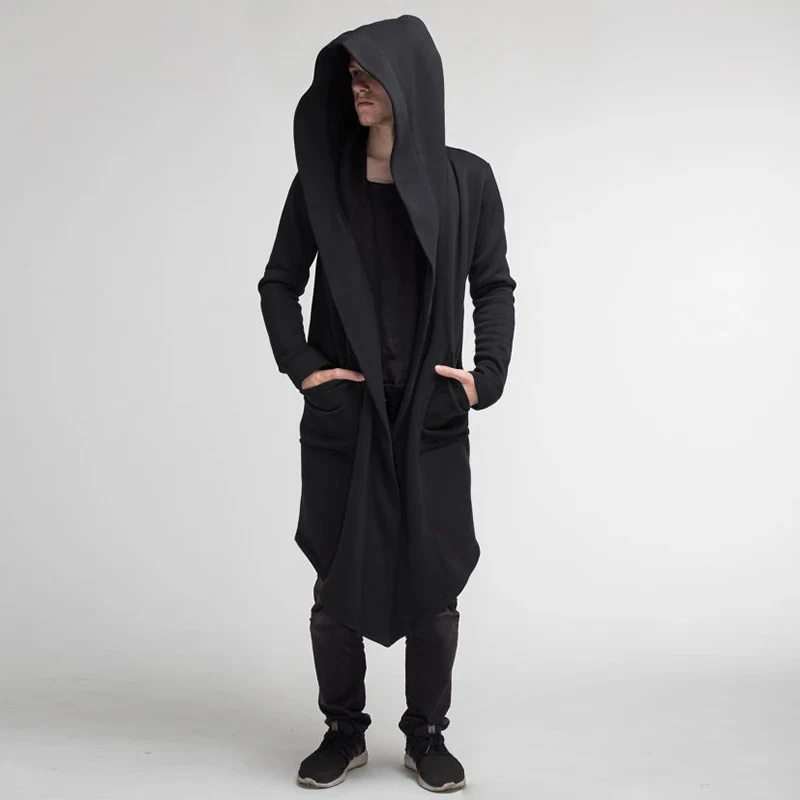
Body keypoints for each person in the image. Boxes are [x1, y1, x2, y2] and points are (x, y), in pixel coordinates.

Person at [257, 14, 516, 793]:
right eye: (350, 77)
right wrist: (305, 367)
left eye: (370, 76)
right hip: (349, 415)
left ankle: (426, 736)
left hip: (430, 414)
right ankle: (343, 731)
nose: (357, 88)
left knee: (435, 582)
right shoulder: (320, 183)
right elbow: (279, 283)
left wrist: (486, 376)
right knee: (337, 582)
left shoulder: (467, 181)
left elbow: (493, 286)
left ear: (411, 82)